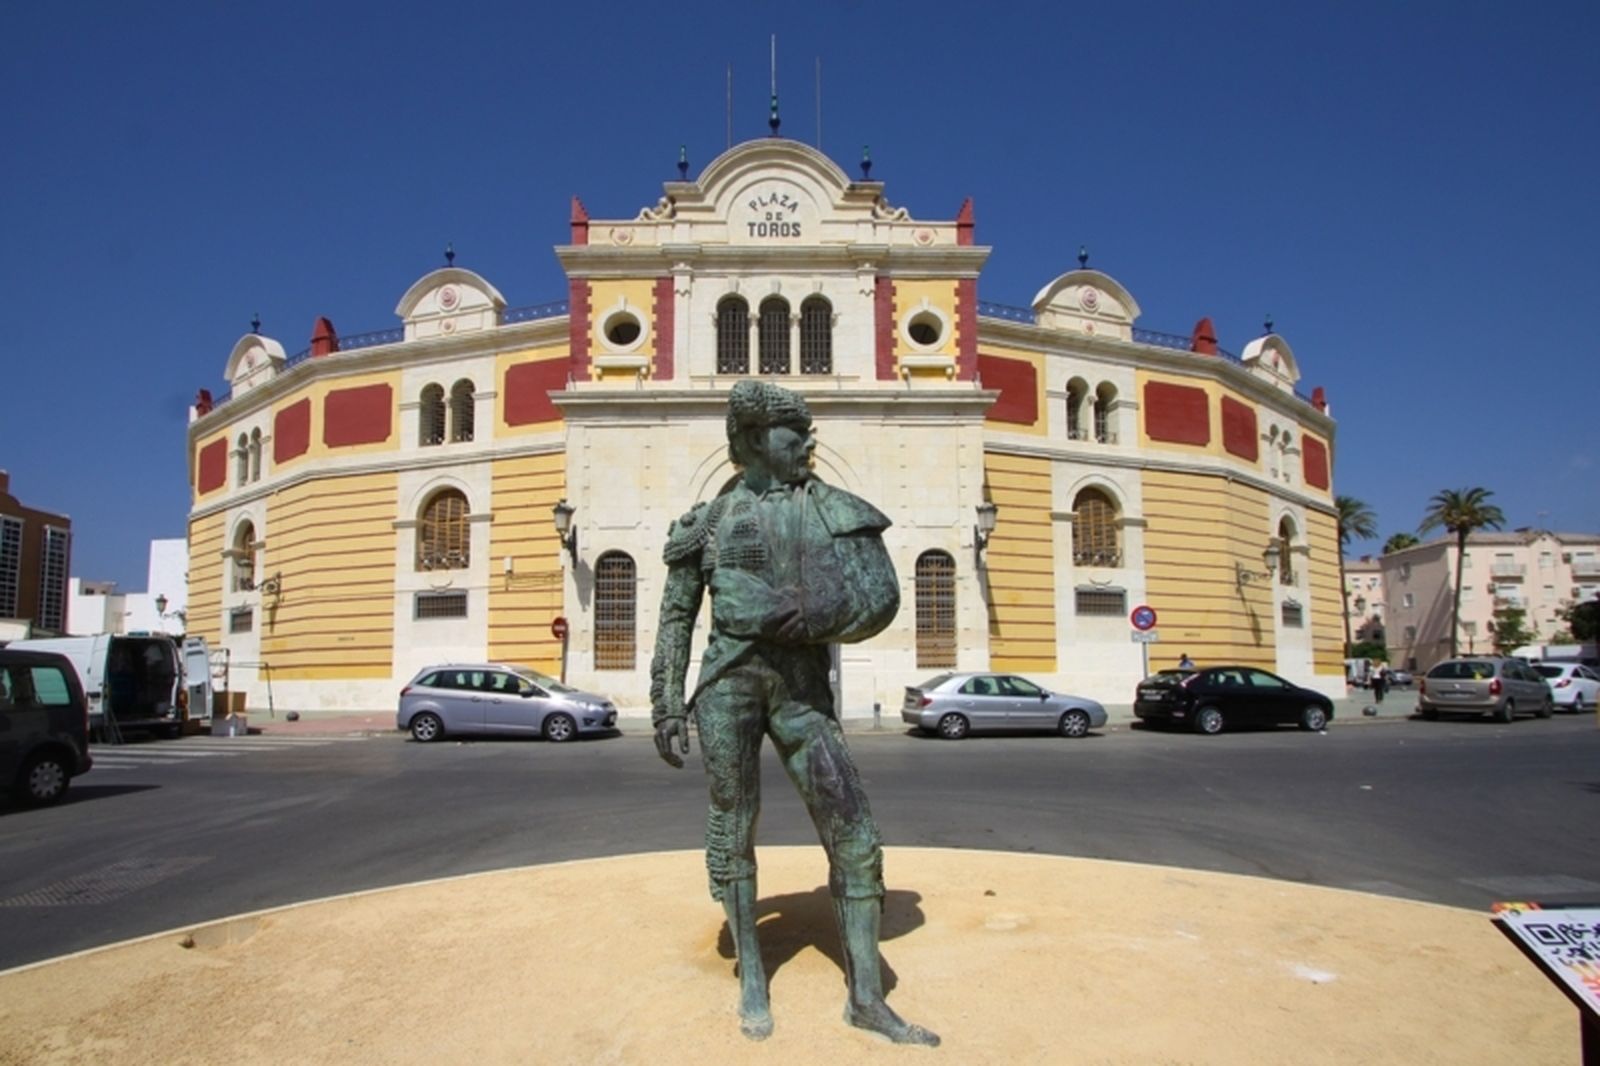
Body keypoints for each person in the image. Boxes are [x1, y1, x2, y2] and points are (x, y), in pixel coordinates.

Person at [649, 380, 938, 1046]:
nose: (809, 442)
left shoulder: (833, 508)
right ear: (753, 441)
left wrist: (813, 615)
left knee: (856, 837)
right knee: (734, 822)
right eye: (792, 433)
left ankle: (866, 997)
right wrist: (666, 701)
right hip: (728, 686)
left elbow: (880, 599)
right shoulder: (707, 523)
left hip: (803, 691)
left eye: (806, 432)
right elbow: (676, 617)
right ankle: (753, 975)